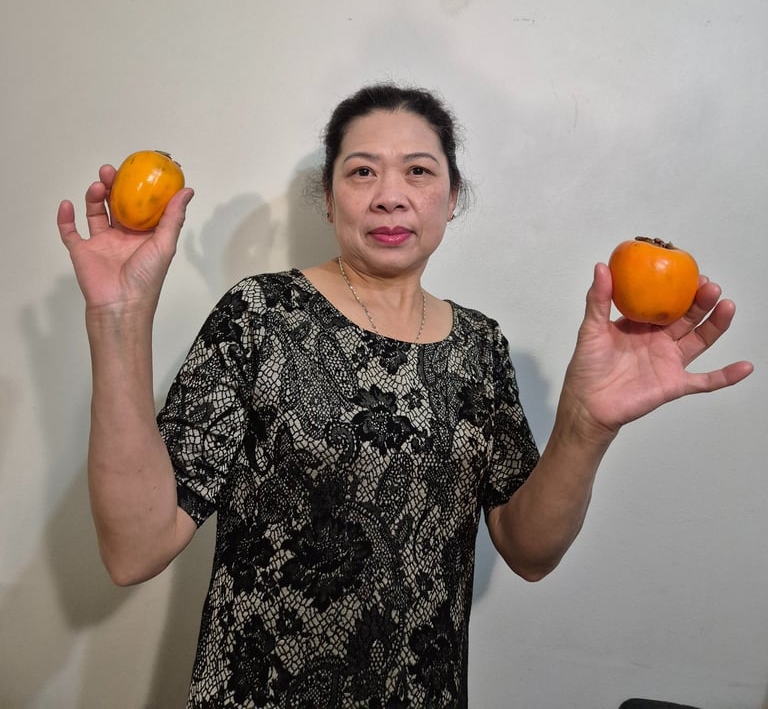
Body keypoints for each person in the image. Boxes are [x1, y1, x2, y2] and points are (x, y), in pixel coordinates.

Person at [57, 83, 753, 709]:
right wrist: (116, 319)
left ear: (451, 199)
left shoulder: (480, 347)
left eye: (419, 171)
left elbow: (530, 549)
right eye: (362, 171)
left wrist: (587, 423)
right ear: (328, 200)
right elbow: (134, 549)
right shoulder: (260, 316)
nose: (390, 194)